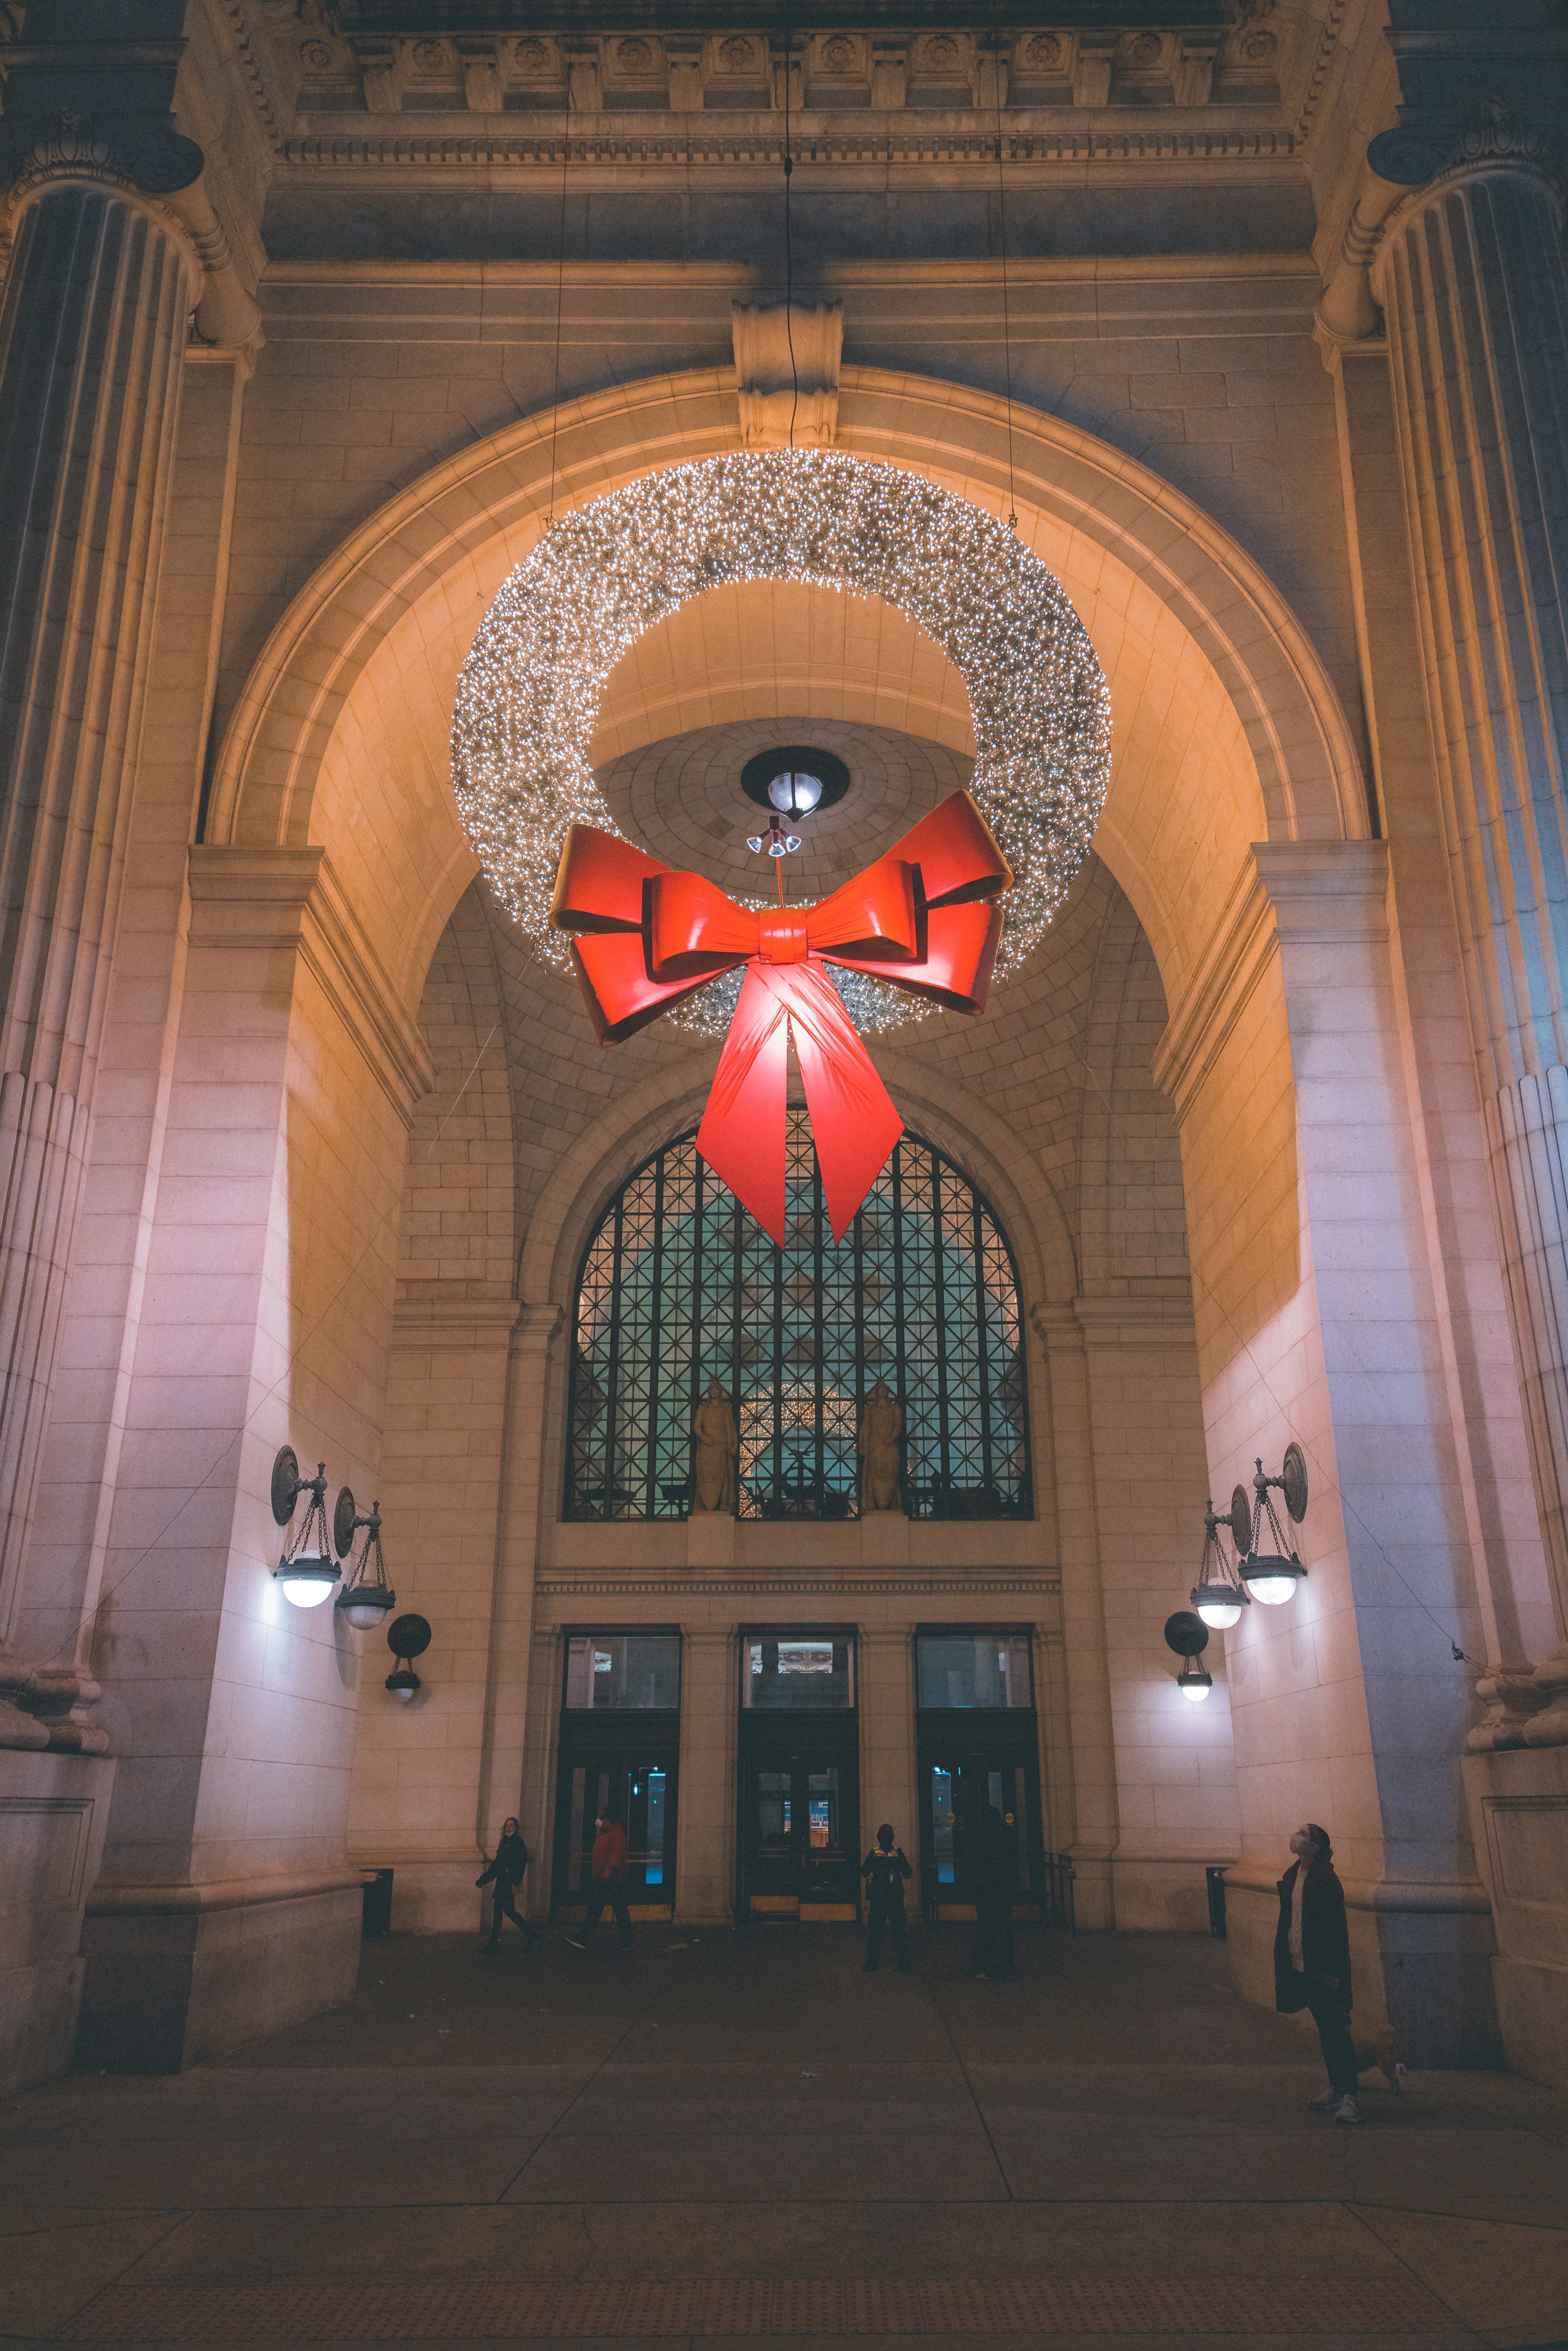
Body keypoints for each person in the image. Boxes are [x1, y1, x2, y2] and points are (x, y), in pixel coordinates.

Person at [1275, 1821, 1360, 2124]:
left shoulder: (1326, 1878)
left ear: (1315, 1846)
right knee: (1327, 2031)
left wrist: (1332, 1970)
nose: (1296, 1836)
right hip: (1303, 1964)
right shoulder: (1293, 1874)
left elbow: (1334, 1928)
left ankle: (1351, 2097)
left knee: (1338, 2031)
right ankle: (1337, 2088)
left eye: (1303, 1834)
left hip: (1325, 1969)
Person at [567, 1800, 634, 1949]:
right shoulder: (606, 1833)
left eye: (603, 1819)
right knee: (617, 1909)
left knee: (600, 1909)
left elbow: (616, 1854)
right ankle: (627, 1939)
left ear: (609, 1821)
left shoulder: (617, 1834)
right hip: (608, 1879)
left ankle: (583, 1938)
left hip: (612, 1879)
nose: (600, 1822)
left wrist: (608, 1869)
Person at [967, 1804, 1016, 1980]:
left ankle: (986, 1967)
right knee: (1004, 1929)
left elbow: (976, 1865)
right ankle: (1007, 1967)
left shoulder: (981, 1838)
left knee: (987, 1929)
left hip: (987, 1891)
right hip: (1002, 1891)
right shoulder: (1005, 1838)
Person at [476, 1817, 536, 1952]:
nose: (509, 1828)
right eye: (507, 1825)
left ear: (516, 1828)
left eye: (512, 1825)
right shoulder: (506, 1843)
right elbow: (498, 1865)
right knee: (506, 1912)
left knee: (504, 1912)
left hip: (507, 1883)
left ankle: (494, 1944)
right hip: (504, 1882)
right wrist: (484, 1880)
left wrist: (516, 1879)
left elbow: (518, 1863)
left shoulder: (516, 1843)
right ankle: (530, 1936)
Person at [860, 1822, 913, 1972]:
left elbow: (864, 1872)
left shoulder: (875, 1853)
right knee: (898, 1932)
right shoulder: (898, 1853)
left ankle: (872, 1963)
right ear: (893, 1838)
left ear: (879, 1838)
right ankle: (903, 1963)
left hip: (879, 1898)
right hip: (895, 1897)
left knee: (876, 1932)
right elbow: (909, 1874)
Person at [691, 1377, 739, 1514]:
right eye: (712, 1390)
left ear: (721, 1392)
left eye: (717, 1390)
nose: (714, 1392)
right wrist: (704, 1438)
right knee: (707, 1478)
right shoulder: (704, 1408)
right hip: (707, 1448)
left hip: (722, 1446)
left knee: (724, 1477)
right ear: (709, 1393)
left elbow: (732, 1428)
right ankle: (705, 1504)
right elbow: (697, 1427)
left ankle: (723, 1504)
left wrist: (734, 1445)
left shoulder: (726, 1409)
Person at [858, 1379, 903, 1514]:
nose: (882, 1392)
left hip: (889, 1446)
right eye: (880, 1390)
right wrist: (863, 1445)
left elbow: (898, 1426)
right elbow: (866, 1428)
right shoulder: (871, 1410)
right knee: (873, 1474)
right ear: (877, 1393)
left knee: (891, 1475)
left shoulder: (895, 1408)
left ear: (888, 1392)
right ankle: (872, 1504)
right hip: (875, 1445)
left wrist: (891, 1438)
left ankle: (893, 1503)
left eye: (884, 1390)